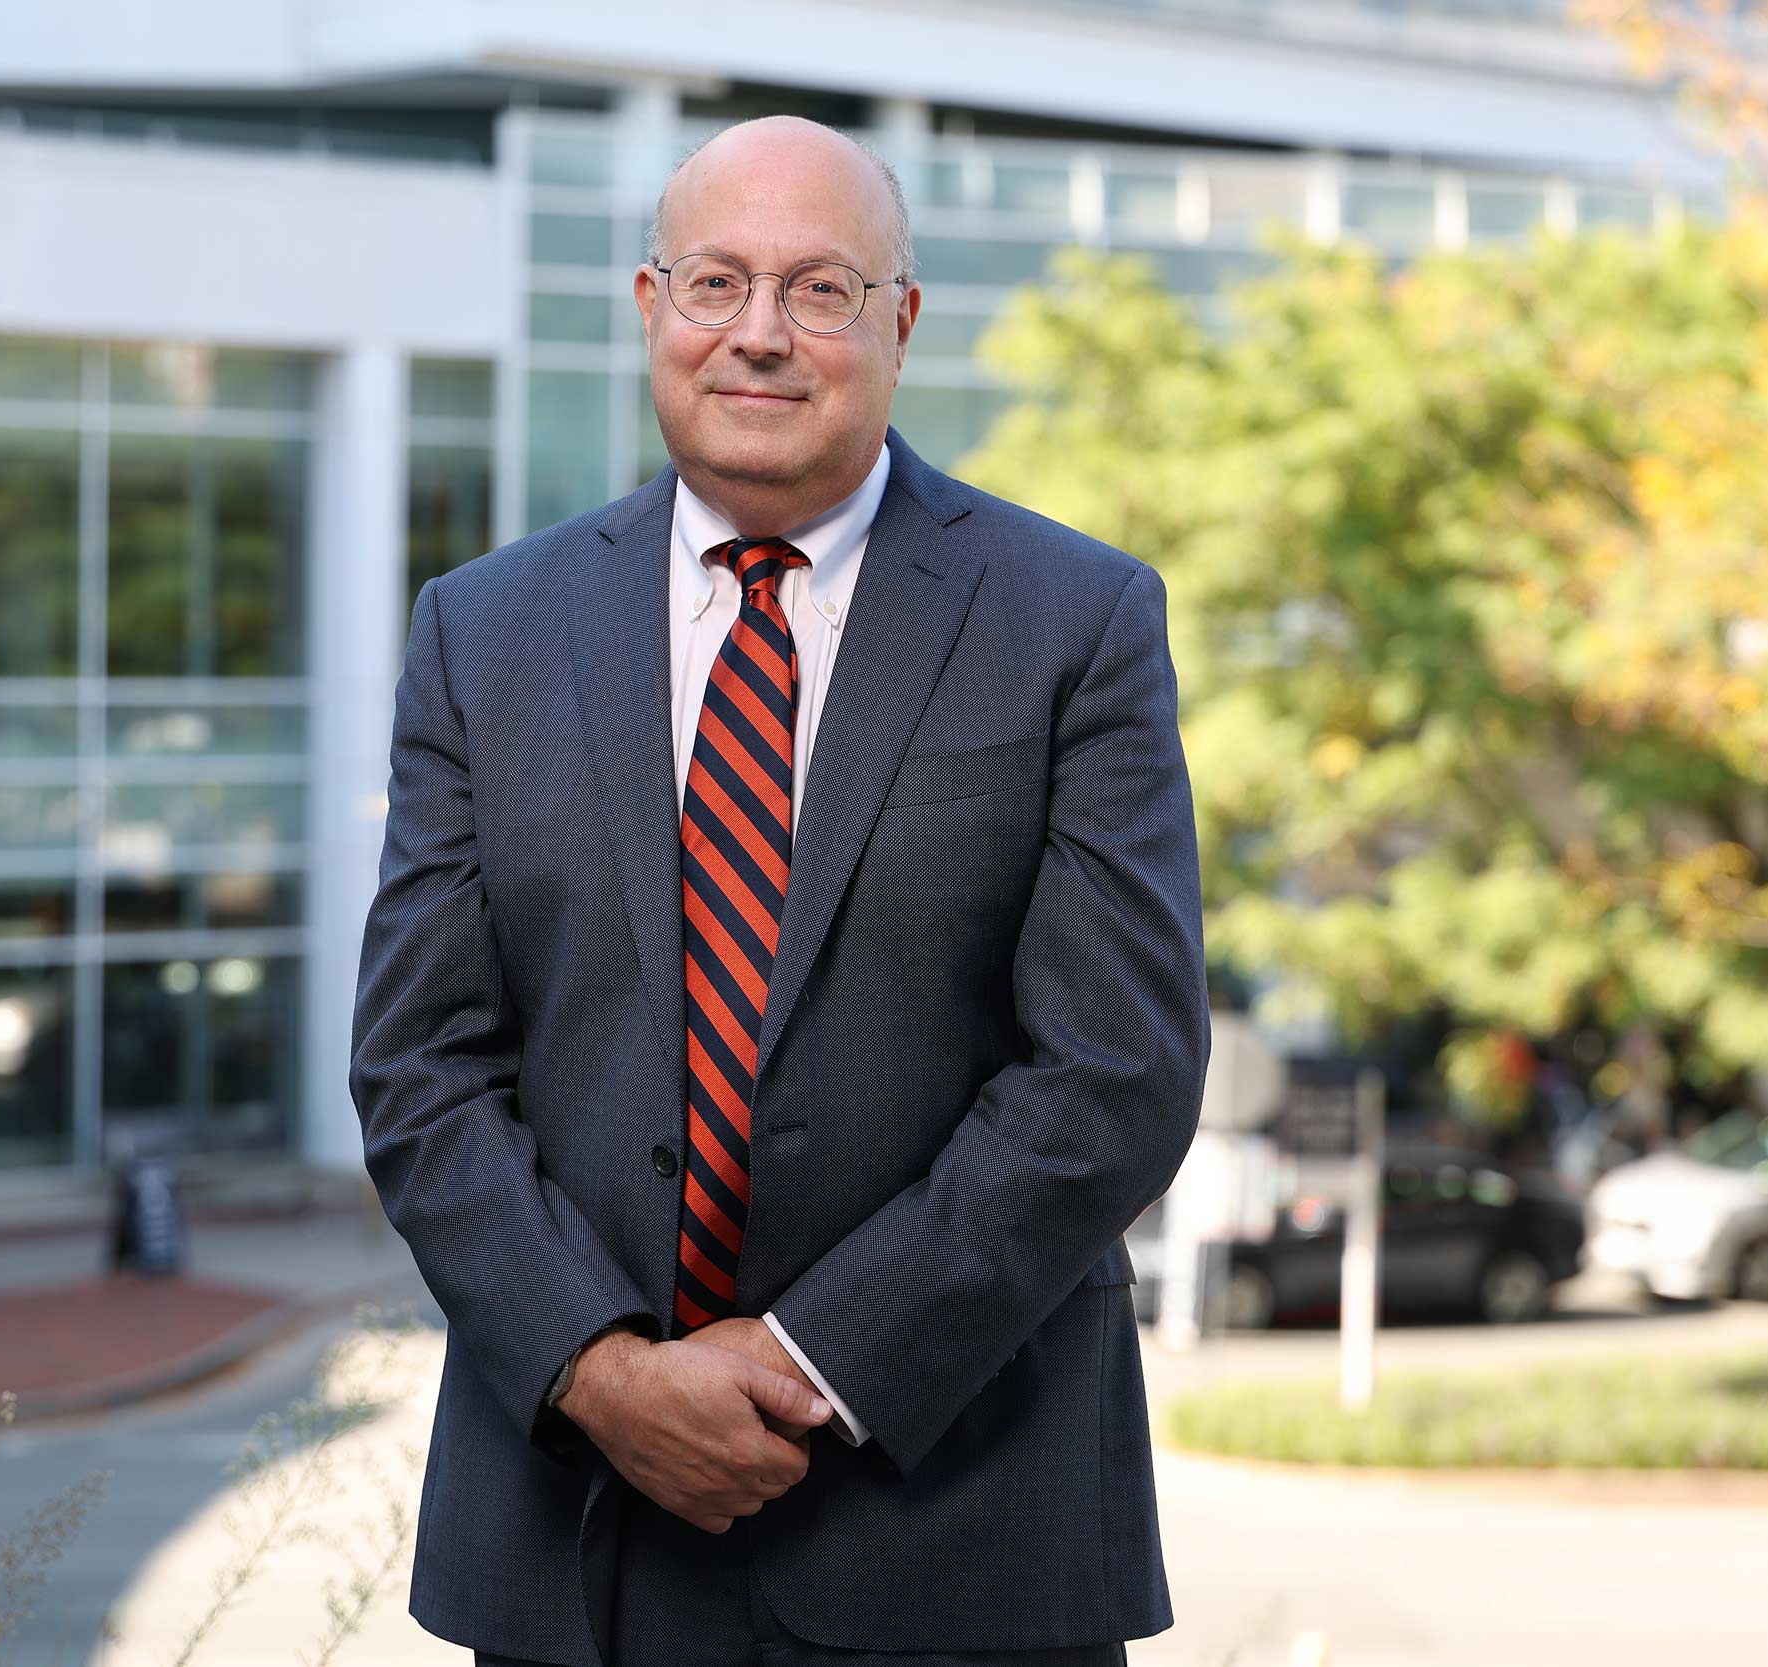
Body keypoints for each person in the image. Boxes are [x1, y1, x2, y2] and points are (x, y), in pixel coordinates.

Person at [350, 113, 1212, 1667]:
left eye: (820, 290)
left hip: (960, 1530)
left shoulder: (1075, 621)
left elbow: (1118, 1072)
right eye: (716, 283)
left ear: (901, 322)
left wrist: (814, 1358)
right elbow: (420, 1072)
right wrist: (603, 1373)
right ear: (647, 308)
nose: (759, 334)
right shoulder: (482, 632)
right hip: (580, 1537)